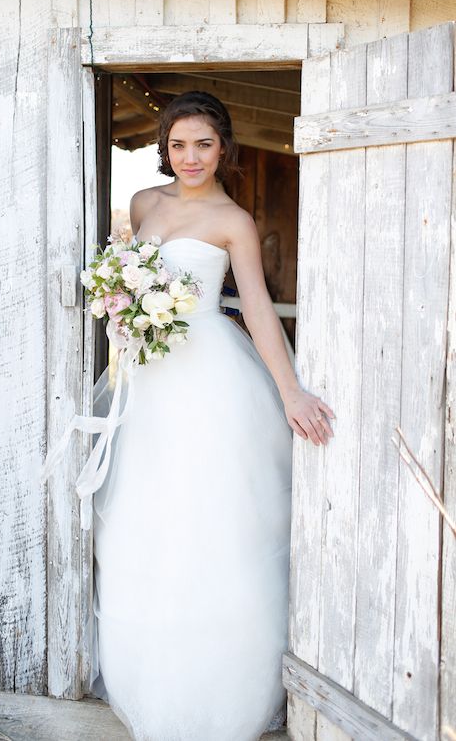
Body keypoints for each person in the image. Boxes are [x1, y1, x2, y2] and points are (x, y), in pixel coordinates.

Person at [88, 90, 334, 740]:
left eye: (203, 144)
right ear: (164, 149)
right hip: (150, 381)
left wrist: (290, 393)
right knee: (147, 522)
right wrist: (121, 301)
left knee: (212, 524)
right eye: (177, 145)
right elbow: (125, 271)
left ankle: (222, 691)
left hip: (211, 379)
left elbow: (254, 308)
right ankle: (149, 673)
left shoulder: (234, 221)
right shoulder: (144, 204)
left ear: (223, 147)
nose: (190, 157)